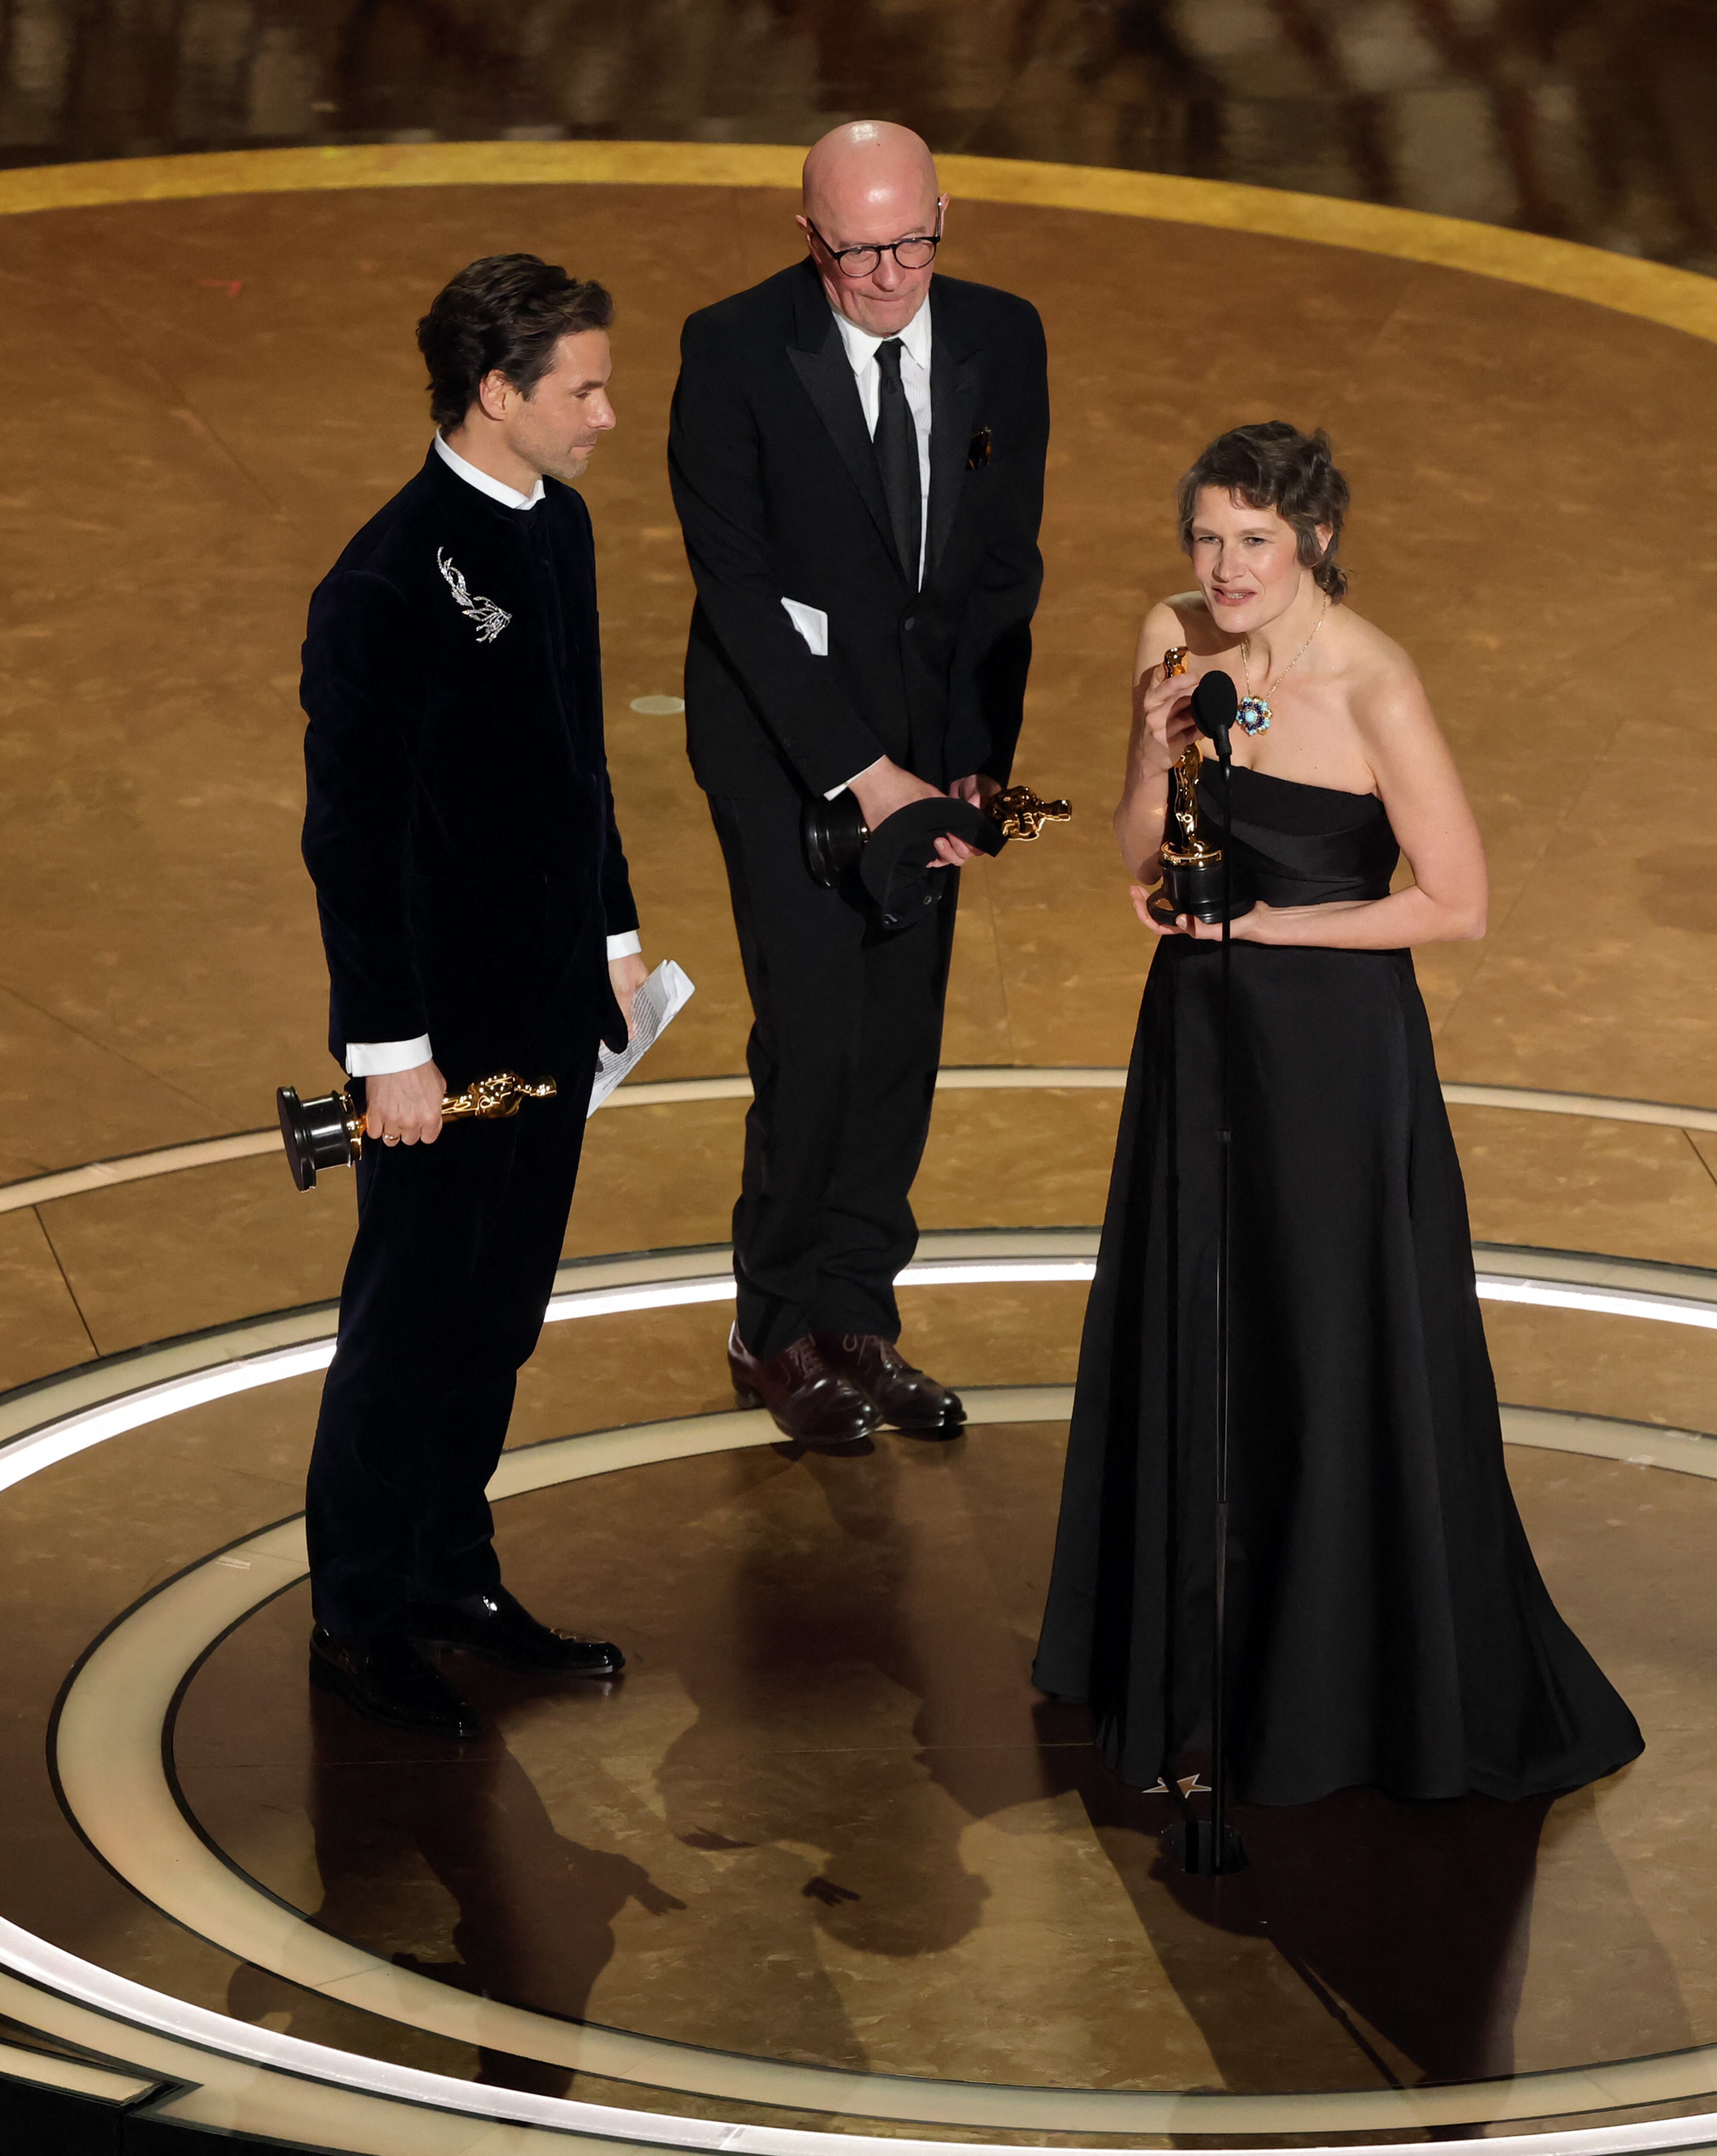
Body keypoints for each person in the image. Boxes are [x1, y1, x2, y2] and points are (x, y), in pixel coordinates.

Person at [1034, 422, 1642, 1805]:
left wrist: (1267, 931)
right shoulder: (1172, 638)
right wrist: (1146, 747)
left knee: (1319, 1336)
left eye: (1253, 540)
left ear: (1312, 542)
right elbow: (1141, 848)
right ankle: (1190, 1664)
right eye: (1205, 537)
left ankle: (1322, 1686)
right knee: (1198, 1324)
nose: (1223, 566)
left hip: (1326, 1056)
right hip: (1195, 1035)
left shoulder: (1376, 686)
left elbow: (1457, 902)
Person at [299, 254, 649, 1741]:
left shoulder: (556, 529)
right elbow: (353, 841)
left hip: (554, 1006)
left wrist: (617, 930)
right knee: (409, 1322)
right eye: (583, 388)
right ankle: (359, 1616)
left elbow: (576, 758)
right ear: (497, 393)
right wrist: (390, 1053)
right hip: (436, 1048)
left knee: (498, 1313)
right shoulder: (382, 585)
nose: (609, 416)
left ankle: (452, 1572)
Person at [668, 120, 1049, 1446]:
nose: (889, 275)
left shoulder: (1006, 334)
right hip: (786, 748)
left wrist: (966, 769)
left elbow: (1004, 573)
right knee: (817, 1039)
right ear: (807, 233)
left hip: (928, 752)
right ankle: (772, 1325)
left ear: (943, 215)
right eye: (857, 251)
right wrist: (862, 773)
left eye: (912, 243)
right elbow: (741, 598)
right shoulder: (729, 351)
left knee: (897, 1044)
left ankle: (857, 1316)